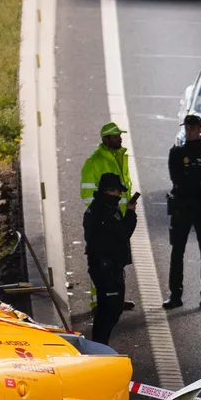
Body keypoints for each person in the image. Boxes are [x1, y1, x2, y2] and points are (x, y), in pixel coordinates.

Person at [165, 115, 201, 311]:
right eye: (187, 128)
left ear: (200, 129)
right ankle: (175, 295)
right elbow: (177, 178)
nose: (189, 132)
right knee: (177, 251)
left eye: (192, 128)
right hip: (182, 207)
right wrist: (197, 179)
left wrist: (193, 177)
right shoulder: (177, 153)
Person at [79, 122, 136, 315]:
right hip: (105, 220)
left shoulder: (118, 157)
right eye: (115, 136)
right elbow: (87, 193)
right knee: (102, 261)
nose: (119, 138)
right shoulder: (95, 162)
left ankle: (116, 298)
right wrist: (102, 214)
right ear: (105, 139)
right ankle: (99, 302)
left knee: (117, 260)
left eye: (119, 135)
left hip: (117, 216)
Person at [83, 172, 135, 345]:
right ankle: (99, 345)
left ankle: (99, 344)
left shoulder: (103, 207)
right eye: (117, 191)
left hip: (107, 265)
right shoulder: (104, 212)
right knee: (111, 309)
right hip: (106, 267)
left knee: (108, 309)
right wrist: (131, 214)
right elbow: (123, 232)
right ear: (109, 191)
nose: (119, 195)